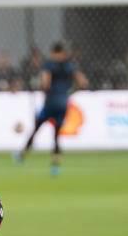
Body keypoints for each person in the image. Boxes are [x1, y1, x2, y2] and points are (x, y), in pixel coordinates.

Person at [16, 42, 88, 173]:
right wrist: (70, 92)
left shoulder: (49, 64)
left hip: (50, 103)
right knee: (56, 134)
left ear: (53, 52)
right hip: (63, 102)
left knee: (37, 128)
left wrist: (43, 90)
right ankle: (55, 165)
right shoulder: (70, 65)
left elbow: (45, 83)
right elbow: (83, 82)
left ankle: (22, 155)